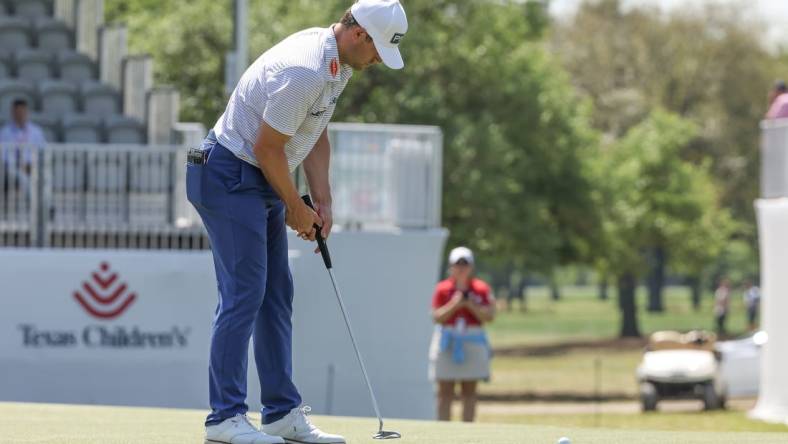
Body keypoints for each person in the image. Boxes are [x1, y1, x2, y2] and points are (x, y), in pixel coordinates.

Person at [185, 2, 408, 443]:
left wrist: (320, 201)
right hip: (228, 173)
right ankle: (224, 418)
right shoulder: (306, 69)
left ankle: (281, 413)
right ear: (358, 33)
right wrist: (294, 205)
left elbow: (314, 131)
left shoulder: (338, 65)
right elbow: (269, 149)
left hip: (258, 174)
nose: (379, 60)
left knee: (276, 293)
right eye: (378, 50)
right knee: (245, 292)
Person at [429, 246, 495, 422]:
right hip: (447, 340)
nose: (461, 268)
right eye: (457, 264)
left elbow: (489, 316)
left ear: (471, 266)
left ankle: (467, 432)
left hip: (473, 340)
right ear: (451, 266)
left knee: (469, 391)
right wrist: (455, 304)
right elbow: (436, 317)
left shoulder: (481, 288)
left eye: (465, 263)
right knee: (445, 392)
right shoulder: (442, 289)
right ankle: (443, 432)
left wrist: (471, 305)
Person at [0, 99, 46, 193]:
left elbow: (43, 150)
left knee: (45, 176)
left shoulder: (36, 131)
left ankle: (47, 205)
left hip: (33, 165)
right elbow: (3, 154)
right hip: (12, 167)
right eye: (17, 112)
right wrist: (18, 164)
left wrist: (32, 163)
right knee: (23, 178)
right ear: (12, 112)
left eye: (22, 111)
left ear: (26, 112)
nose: (19, 114)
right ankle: (32, 202)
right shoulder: (5, 132)